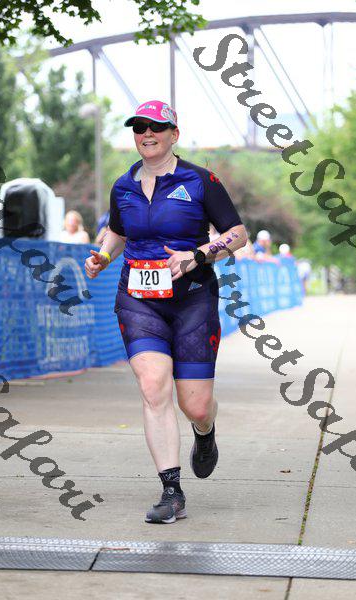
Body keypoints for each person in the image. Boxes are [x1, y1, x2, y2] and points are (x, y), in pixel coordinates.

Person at [84, 100, 247, 524]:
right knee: (153, 386)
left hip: (192, 298)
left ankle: (205, 431)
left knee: (196, 405)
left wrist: (199, 254)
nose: (146, 134)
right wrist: (103, 256)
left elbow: (237, 233)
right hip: (138, 299)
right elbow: (117, 231)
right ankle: (171, 491)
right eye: (139, 127)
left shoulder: (201, 180)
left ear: (174, 134)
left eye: (156, 127)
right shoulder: (123, 185)